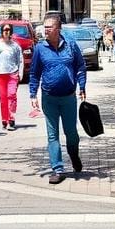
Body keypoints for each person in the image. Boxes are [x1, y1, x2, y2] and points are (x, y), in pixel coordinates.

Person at [29, 15, 86, 184]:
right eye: (44, 27)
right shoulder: (40, 48)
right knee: (52, 135)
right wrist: (33, 94)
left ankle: (74, 155)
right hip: (49, 98)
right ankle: (58, 169)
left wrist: (82, 86)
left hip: (69, 97)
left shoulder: (71, 45)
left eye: (49, 27)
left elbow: (80, 66)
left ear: (58, 29)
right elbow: (34, 73)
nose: (45, 30)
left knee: (71, 134)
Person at [0, 22, 24, 131]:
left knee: (12, 95)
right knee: (3, 98)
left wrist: (20, 73)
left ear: (11, 32)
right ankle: (4, 119)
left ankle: (11, 119)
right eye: (5, 30)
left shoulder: (15, 46)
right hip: (0, 74)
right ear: (2, 32)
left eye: (8, 30)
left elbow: (20, 60)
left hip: (13, 74)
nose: (7, 32)